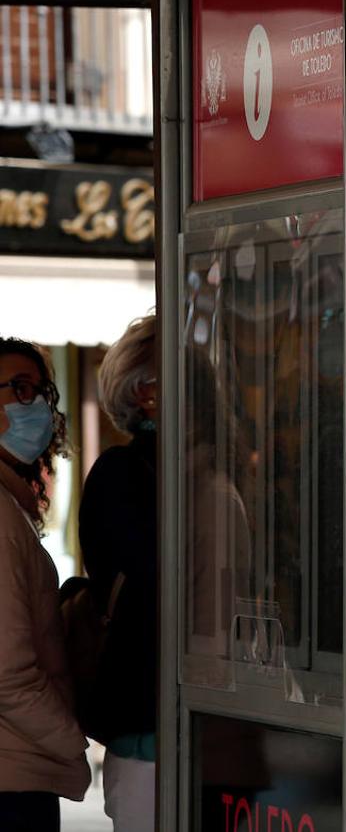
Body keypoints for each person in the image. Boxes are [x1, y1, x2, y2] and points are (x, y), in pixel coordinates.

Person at [0, 338, 90, 830]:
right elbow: (8, 676)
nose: (33, 404)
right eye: (17, 388)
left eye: (39, 391)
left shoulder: (10, 505)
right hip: (13, 779)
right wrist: (71, 741)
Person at [79, 315, 159, 832]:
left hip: (207, 730)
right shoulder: (123, 473)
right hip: (145, 726)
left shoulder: (211, 466)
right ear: (145, 391)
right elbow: (150, 587)